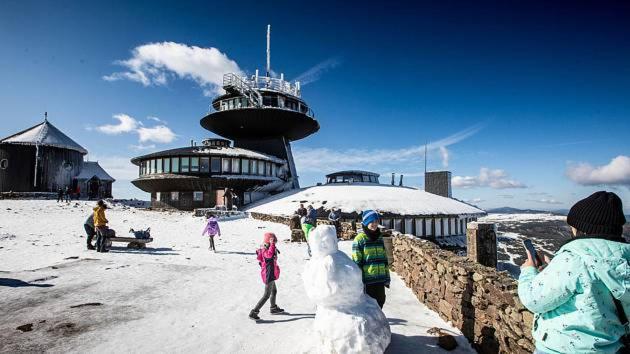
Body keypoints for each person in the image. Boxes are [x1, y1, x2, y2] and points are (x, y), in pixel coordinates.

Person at [518, 191, 629, 354]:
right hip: (611, 348)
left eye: (573, 226)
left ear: (582, 229)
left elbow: (533, 300)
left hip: (563, 349)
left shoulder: (574, 260)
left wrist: (528, 271)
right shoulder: (625, 259)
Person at [352, 210, 390, 309]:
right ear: (366, 222)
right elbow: (356, 262)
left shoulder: (379, 238)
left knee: (381, 301)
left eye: (376, 221)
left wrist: (386, 277)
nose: (374, 224)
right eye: (372, 221)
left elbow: (384, 259)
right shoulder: (360, 239)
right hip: (367, 280)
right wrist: (359, 281)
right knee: (369, 308)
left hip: (380, 278)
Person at [249, 232, 284, 320]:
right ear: (269, 241)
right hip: (269, 275)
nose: (275, 243)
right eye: (273, 241)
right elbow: (269, 255)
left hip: (271, 273)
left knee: (274, 291)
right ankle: (254, 312)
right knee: (266, 295)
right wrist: (272, 245)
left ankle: (273, 308)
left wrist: (272, 245)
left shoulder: (268, 248)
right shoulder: (265, 250)